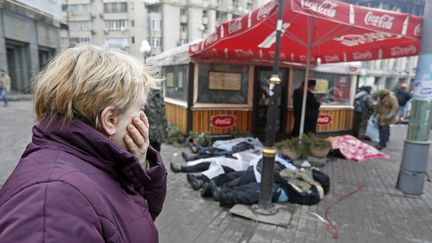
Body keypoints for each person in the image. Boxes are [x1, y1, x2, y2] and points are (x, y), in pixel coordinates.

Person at [0, 44, 167, 242]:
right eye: (139, 110)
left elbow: (127, 223)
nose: (143, 119)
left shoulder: (95, 165)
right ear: (111, 120)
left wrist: (137, 167)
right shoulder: (52, 203)